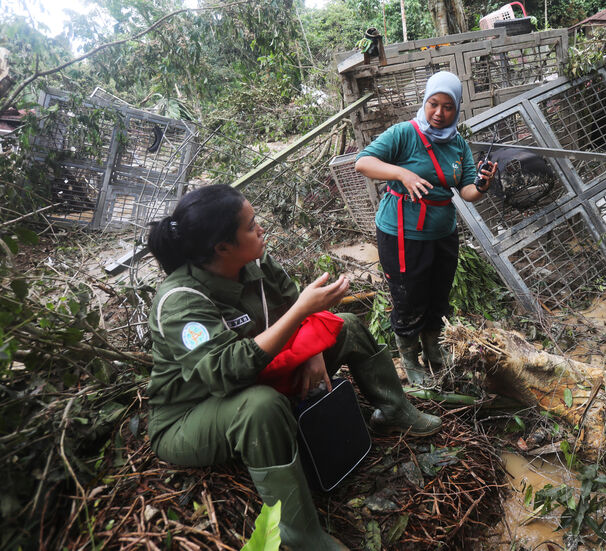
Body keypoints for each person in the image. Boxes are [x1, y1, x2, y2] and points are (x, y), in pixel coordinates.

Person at [145, 184, 442, 551]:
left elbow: (298, 311)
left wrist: (312, 348)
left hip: (262, 373)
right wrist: (302, 313)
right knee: (261, 406)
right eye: (251, 225)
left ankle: (395, 410)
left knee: (345, 325)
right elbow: (224, 372)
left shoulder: (253, 263)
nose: (261, 229)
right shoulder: (181, 303)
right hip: (194, 412)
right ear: (221, 247)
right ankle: (299, 532)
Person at [354, 71, 497, 387]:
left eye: (448, 107)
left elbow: (467, 192)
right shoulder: (404, 134)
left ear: (456, 108)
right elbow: (363, 163)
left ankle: (433, 350)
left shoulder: (457, 143)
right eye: (434, 104)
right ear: (425, 101)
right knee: (409, 298)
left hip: (443, 234)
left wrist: (482, 185)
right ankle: (410, 358)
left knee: (437, 296)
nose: (439, 113)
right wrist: (403, 174)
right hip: (401, 234)